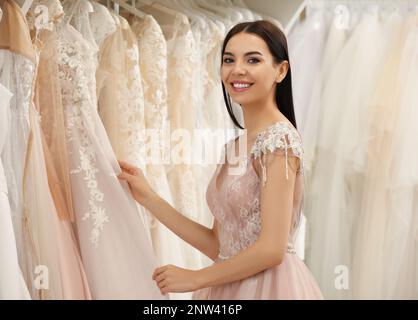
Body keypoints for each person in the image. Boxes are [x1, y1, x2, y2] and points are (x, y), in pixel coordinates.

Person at [118, 20, 323, 299]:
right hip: (229, 286)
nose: (237, 69)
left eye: (252, 59)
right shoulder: (235, 147)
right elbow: (219, 246)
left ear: (281, 70)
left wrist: (196, 278)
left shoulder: (279, 141)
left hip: (272, 288)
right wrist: (149, 198)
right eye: (229, 59)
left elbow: (272, 249)